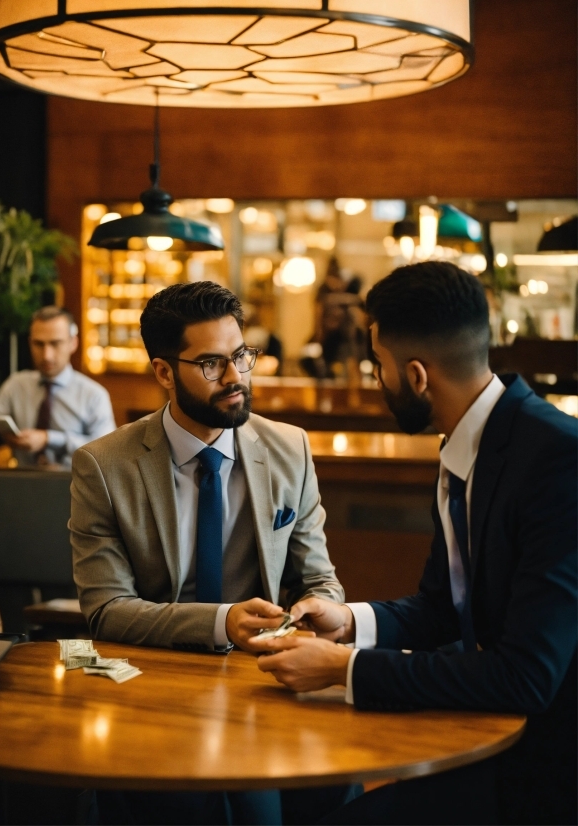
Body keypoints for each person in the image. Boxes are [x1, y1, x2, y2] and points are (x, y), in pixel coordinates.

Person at [252, 261, 577, 825]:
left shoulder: (557, 459)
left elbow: (526, 676)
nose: (376, 379)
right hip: (485, 735)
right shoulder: (464, 445)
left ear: (418, 376)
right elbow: (440, 607)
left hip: (547, 768)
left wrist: (343, 668)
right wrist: (348, 621)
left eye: (379, 366)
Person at [70, 281, 354, 825]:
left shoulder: (289, 448)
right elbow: (104, 610)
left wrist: (323, 609)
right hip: (154, 687)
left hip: (265, 682)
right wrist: (224, 623)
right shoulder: (103, 466)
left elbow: (320, 581)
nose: (235, 379)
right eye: (211, 364)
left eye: (241, 356)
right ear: (163, 372)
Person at [0, 305, 115, 468]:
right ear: (30, 343)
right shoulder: (16, 385)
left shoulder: (94, 395)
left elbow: (108, 452)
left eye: (55, 344)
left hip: (75, 487)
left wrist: (48, 439)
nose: (46, 355)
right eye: (39, 344)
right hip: (20, 484)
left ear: (73, 343)